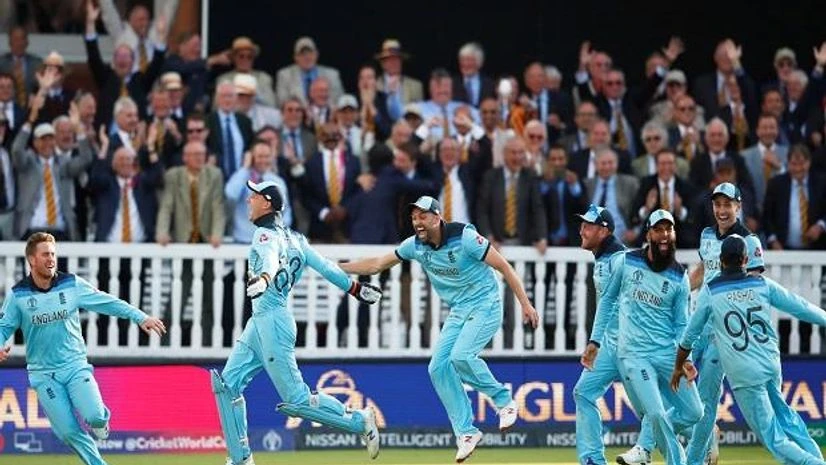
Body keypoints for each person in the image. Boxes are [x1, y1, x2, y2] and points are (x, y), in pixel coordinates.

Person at [339, 195, 539, 462]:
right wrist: (334, 269)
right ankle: (466, 432)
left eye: (422, 216)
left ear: (437, 217)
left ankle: (504, 401)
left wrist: (525, 305)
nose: (417, 222)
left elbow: (503, 266)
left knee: (461, 357)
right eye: (413, 217)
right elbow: (377, 264)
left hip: (486, 304)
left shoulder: (465, 236)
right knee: (438, 367)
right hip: (458, 310)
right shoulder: (414, 246)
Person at [211, 180, 382, 465]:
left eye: (252, 197)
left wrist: (264, 278)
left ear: (267, 202)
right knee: (227, 385)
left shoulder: (265, 235)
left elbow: (269, 259)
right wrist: (353, 289)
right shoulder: (297, 239)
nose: (247, 202)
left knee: (297, 400)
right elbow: (326, 266)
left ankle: (358, 421)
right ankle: (240, 459)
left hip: (273, 322)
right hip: (263, 321)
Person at [0, 232, 166, 465]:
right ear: (32, 260)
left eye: (53, 254)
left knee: (95, 416)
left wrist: (140, 317)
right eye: (45, 254)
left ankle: (101, 423)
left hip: (75, 366)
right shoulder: (18, 296)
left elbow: (106, 301)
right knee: (68, 432)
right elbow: (3, 327)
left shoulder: (71, 284)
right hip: (43, 374)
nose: (51, 259)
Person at [672, 234, 826, 465]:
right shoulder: (763, 284)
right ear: (745, 260)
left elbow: (689, 336)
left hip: (745, 374)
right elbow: (801, 308)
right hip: (771, 364)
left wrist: (678, 365)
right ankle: (814, 457)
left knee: (773, 439)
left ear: (721, 261)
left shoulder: (712, 292)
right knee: (788, 420)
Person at [587, 209, 702, 465]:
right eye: (659, 230)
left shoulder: (679, 277)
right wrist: (595, 342)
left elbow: (681, 324)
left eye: (669, 230)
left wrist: (687, 359)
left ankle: (644, 444)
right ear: (649, 233)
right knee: (657, 413)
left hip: (667, 355)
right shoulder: (628, 262)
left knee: (695, 412)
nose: (664, 235)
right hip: (634, 355)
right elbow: (607, 302)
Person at [573, 204, 655, 465]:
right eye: (582, 225)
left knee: (649, 411)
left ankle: (699, 433)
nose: (582, 230)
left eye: (588, 226)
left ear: (604, 231)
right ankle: (592, 459)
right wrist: (596, 342)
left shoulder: (621, 259)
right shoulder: (601, 259)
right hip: (609, 345)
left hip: (631, 347)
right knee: (583, 392)